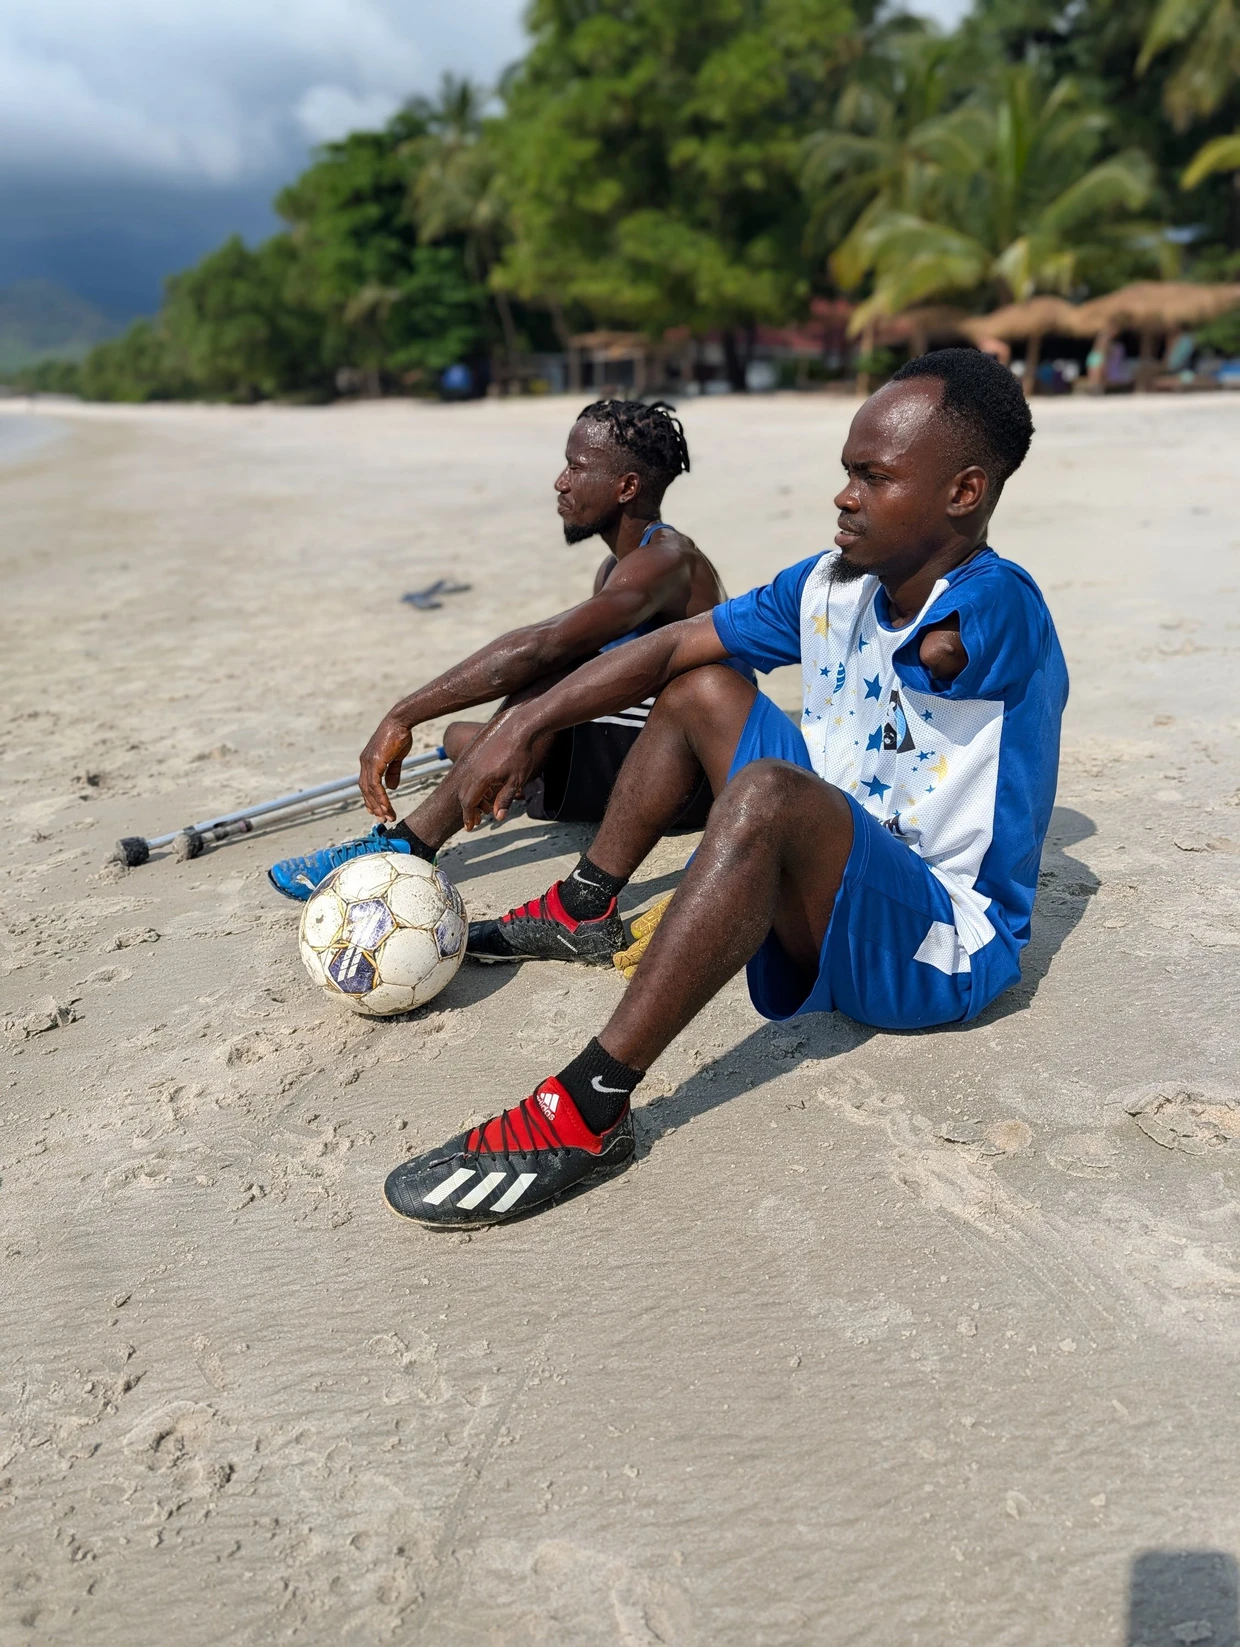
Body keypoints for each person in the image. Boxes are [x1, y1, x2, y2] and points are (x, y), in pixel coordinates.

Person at [382, 348, 1069, 1229]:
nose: (845, 495)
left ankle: (590, 1109)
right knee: (699, 684)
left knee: (770, 792)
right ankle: (586, 902)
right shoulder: (830, 585)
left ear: (963, 494)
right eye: (846, 471)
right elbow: (670, 645)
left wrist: (937, 645)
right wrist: (526, 723)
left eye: (874, 476)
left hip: (942, 941)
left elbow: (963, 637)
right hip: (841, 862)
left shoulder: (1002, 603)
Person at [267, 400, 737, 910]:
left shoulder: (667, 561)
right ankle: (517, 771)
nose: (560, 482)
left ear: (626, 487)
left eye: (576, 467)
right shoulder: (616, 566)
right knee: (460, 739)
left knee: (548, 677)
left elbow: (541, 648)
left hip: (689, 779)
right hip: (640, 749)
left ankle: (407, 844)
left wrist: (402, 715)